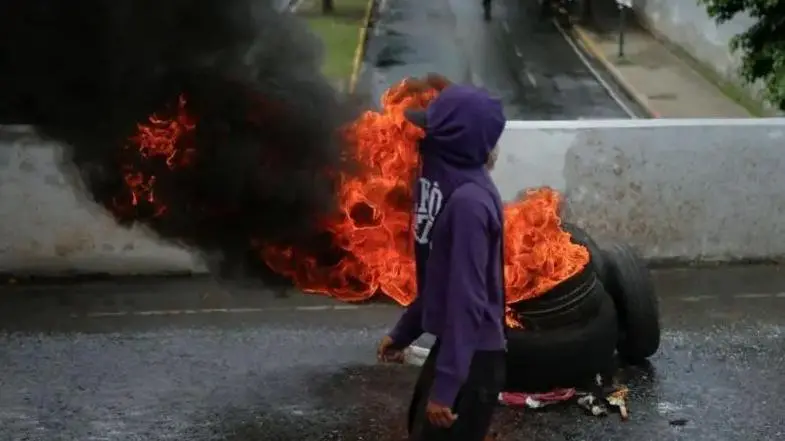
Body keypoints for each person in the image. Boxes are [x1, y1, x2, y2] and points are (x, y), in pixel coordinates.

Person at [376, 83, 507, 441]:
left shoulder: (468, 203)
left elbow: (467, 302)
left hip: (473, 356)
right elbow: (437, 276)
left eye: (430, 129)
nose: (421, 137)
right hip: (458, 347)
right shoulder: (448, 189)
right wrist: (403, 333)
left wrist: (447, 389)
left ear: (452, 139)